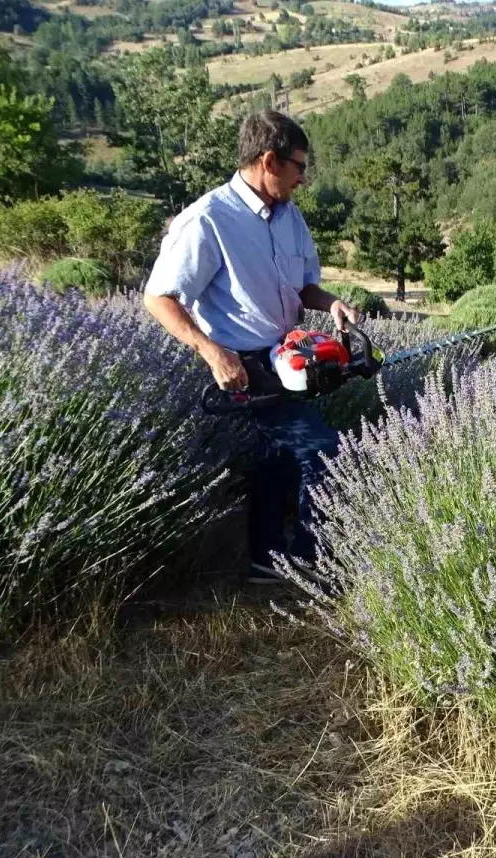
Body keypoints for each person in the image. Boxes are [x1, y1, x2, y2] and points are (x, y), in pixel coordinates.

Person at [142, 109, 362, 584]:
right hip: (245, 367)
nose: (304, 178)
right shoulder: (208, 219)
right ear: (269, 160)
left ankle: (265, 558)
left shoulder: (290, 217)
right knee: (324, 448)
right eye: (299, 166)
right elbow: (159, 297)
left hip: (289, 356)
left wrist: (332, 304)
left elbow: (304, 287)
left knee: (276, 457)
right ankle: (309, 564)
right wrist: (210, 350)